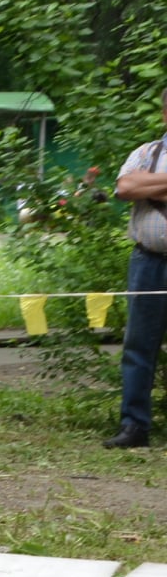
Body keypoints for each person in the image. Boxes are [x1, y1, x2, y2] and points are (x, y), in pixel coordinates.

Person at [104, 92, 167, 449]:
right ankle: (134, 427)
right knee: (139, 347)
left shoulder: (151, 165)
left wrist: (153, 187)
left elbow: (140, 187)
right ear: (164, 114)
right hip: (148, 262)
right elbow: (126, 186)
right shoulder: (145, 153)